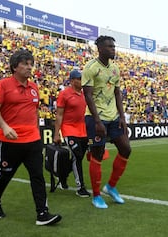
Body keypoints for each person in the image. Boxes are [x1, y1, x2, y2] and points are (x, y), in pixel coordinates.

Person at [0, 49, 62, 226]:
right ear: (15, 67)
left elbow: (34, 113)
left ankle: (42, 214)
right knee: (5, 174)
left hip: (33, 140)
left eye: (31, 64)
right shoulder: (3, 85)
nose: (30, 67)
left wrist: (37, 133)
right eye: (25, 64)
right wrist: (4, 127)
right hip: (9, 141)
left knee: (38, 176)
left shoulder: (34, 87)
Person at [82, 35, 131, 209]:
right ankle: (96, 196)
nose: (113, 49)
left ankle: (110, 186)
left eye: (114, 46)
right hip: (95, 118)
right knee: (97, 154)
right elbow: (87, 95)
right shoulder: (90, 68)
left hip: (113, 117)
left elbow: (117, 93)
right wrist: (97, 121)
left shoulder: (115, 68)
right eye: (110, 47)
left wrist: (122, 117)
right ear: (100, 49)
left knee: (126, 149)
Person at [53, 69, 90, 197]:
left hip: (83, 130)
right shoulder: (64, 94)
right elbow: (59, 115)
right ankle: (81, 187)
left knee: (77, 157)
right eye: (79, 79)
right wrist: (57, 134)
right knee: (78, 155)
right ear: (73, 80)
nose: (82, 81)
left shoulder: (85, 93)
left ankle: (62, 176)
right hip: (69, 129)